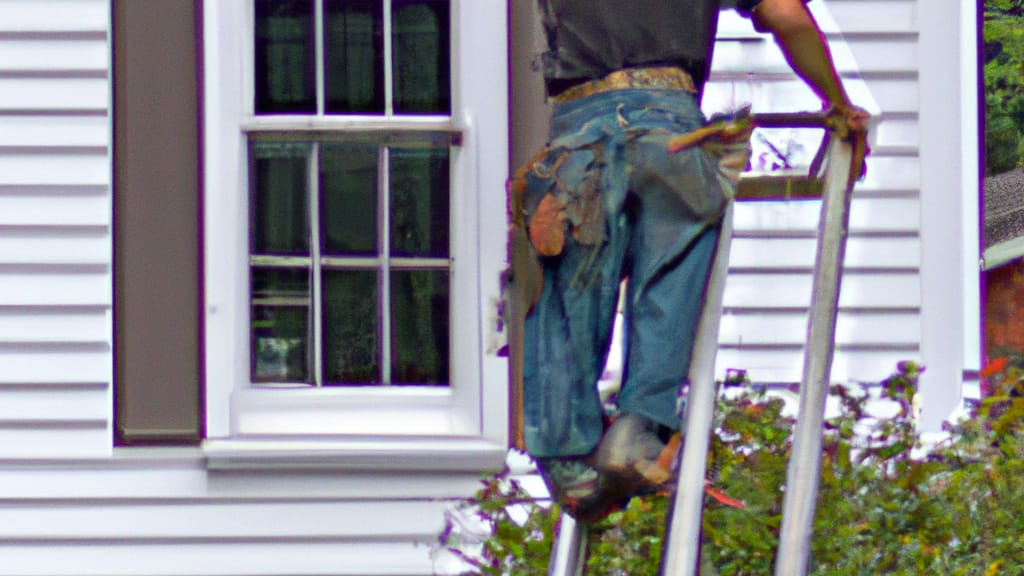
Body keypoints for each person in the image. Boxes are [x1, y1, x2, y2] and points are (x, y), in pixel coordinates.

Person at [513, 0, 870, 521]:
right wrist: (838, 103)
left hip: (580, 130)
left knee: (569, 299)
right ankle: (639, 426)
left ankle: (569, 460)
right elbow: (785, 14)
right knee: (670, 277)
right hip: (671, 128)